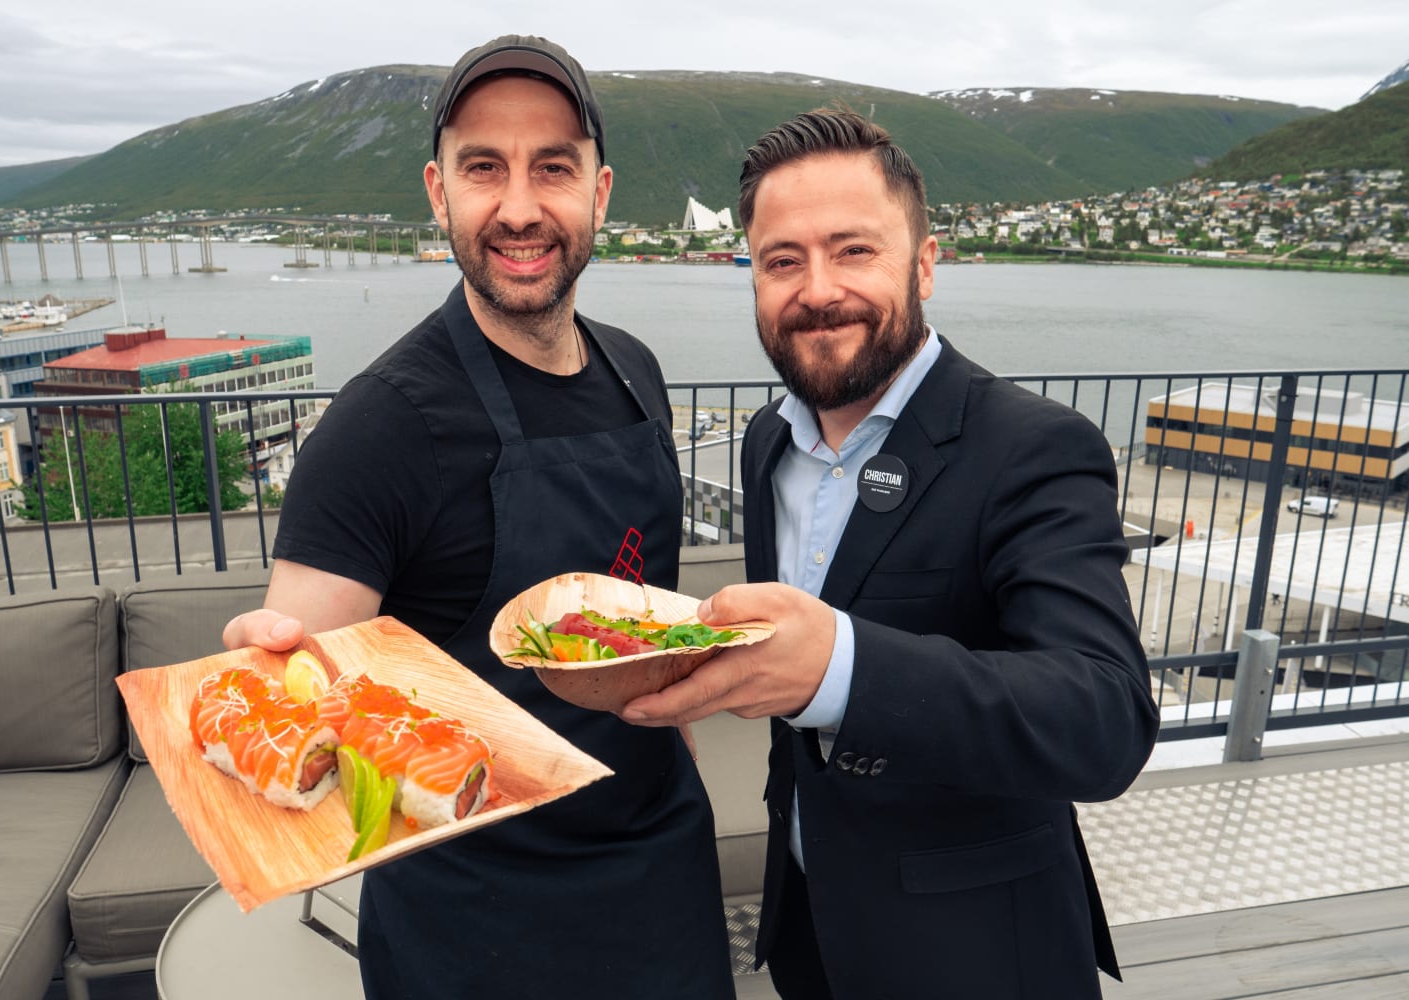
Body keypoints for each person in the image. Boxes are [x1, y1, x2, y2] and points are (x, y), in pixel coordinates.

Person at [223, 35, 734, 1000]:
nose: (520, 207)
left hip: (659, 874)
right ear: (438, 192)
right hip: (475, 918)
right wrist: (269, 680)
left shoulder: (636, 372)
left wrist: (687, 764)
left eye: (554, 167)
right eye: (484, 167)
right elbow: (299, 693)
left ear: (601, 193)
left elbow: (645, 627)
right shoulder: (379, 426)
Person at [622, 107, 1160, 999]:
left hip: (980, 957)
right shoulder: (767, 443)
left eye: (854, 251)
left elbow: (1105, 721)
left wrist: (841, 669)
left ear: (925, 264)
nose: (818, 290)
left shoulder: (1035, 448)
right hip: (809, 935)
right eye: (781, 261)